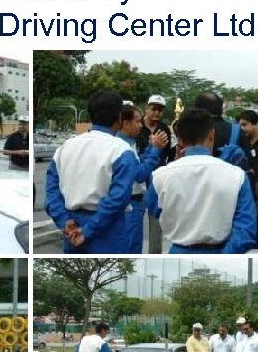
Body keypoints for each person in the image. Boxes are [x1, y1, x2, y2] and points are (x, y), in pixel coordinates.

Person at [146, 108, 257, 254]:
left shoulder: (160, 176)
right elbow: (246, 231)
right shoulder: (237, 176)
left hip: (179, 250)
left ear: (180, 139)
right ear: (211, 135)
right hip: (222, 251)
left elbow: (155, 210)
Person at [45, 90, 137, 253]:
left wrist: (64, 222)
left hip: (71, 228)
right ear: (119, 118)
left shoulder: (65, 147)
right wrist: (88, 230)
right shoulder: (122, 150)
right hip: (108, 231)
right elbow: (118, 199)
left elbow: (51, 194)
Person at [116, 103, 167, 253]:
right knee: (131, 247)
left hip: (133, 201)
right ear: (125, 123)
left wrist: (151, 148)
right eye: (137, 121)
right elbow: (139, 175)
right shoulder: (122, 146)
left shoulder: (129, 143)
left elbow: (138, 162)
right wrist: (156, 150)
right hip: (131, 201)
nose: (140, 125)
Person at [136, 95, 173, 254]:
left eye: (160, 110)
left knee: (155, 217)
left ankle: (155, 252)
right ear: (147, 108)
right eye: (154, 109)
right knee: (135, 219)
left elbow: (165, 155)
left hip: (157, 178)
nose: (156, 113)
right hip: (137, 176)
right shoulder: (137, 127)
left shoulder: (164, 129)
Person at [237, 110, 258, 195]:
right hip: (245, 191)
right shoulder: (239, 143)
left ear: (256, 124)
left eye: (244, 125)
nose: (241, 128)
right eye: (240, 125)